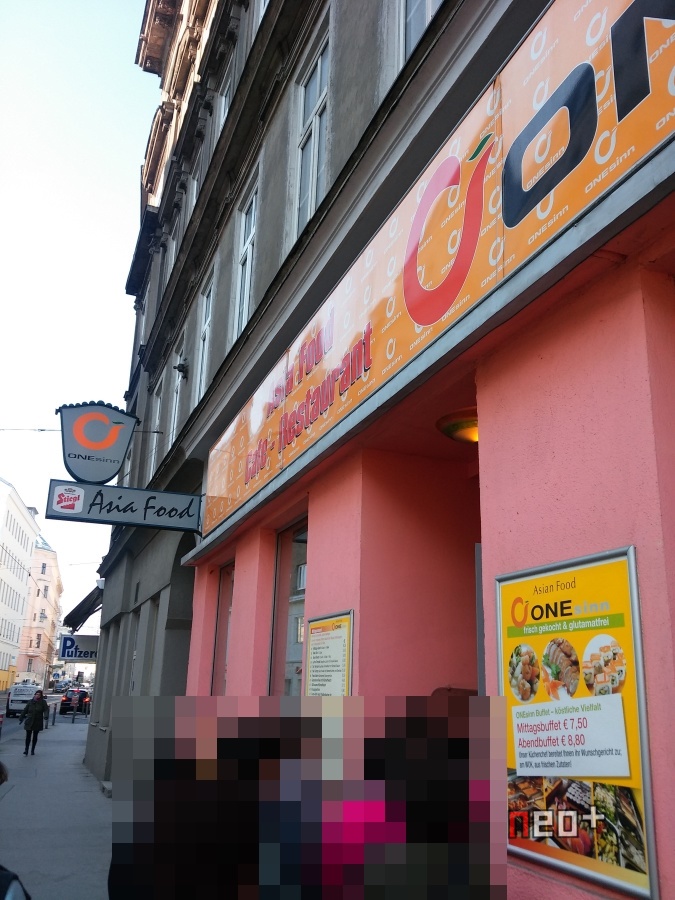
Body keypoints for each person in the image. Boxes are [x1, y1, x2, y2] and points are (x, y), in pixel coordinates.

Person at [19, 691, 49, 756]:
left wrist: (46, 716)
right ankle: (26, 750)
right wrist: (21, 717)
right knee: (28, 736)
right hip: (29, 720)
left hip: (37, 721)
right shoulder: (30, 701)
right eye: (36, 694)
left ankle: (32, 750)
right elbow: (25, 710)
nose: (37, 695)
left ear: (41, 696)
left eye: (39, 695)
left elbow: (46, 709)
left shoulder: (43, 702)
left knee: (35, 736)